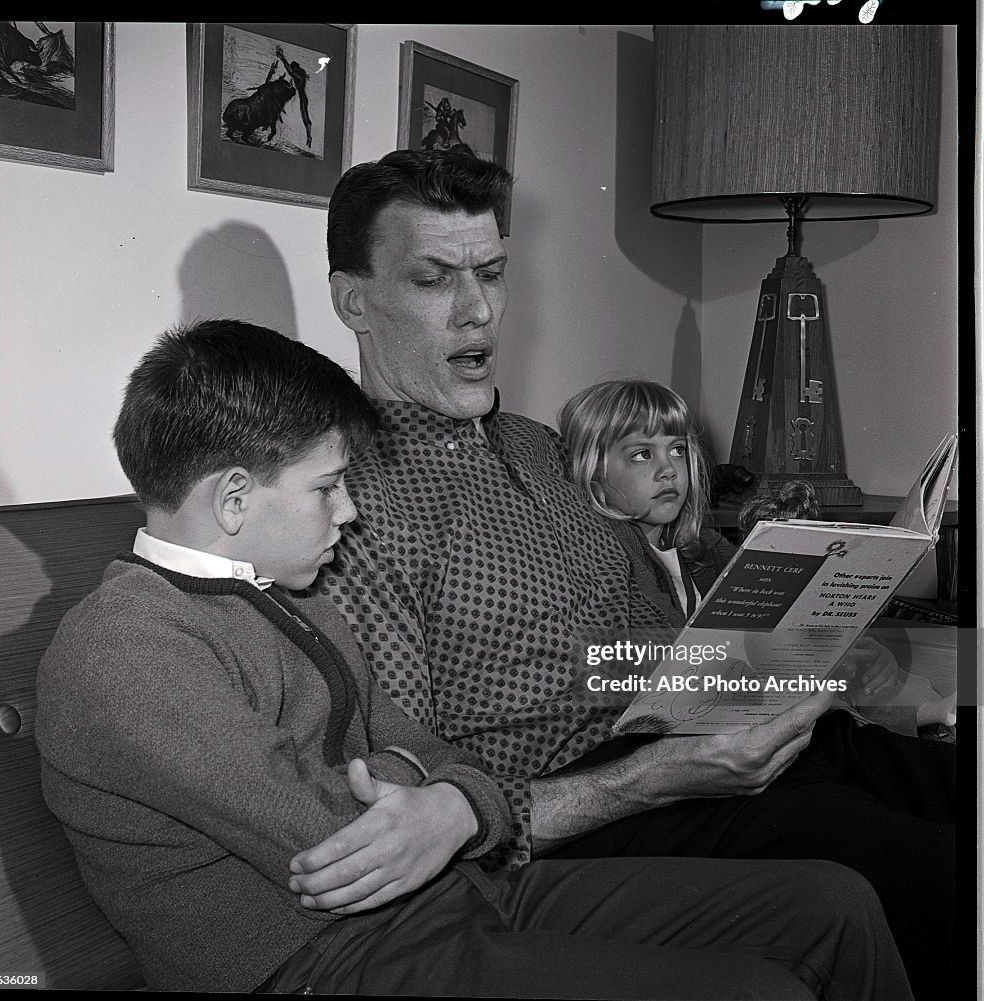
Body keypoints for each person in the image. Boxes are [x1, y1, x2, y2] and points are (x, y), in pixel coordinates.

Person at [35, 319, 911, 999]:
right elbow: (333, 843)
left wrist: (445, 798)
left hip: (456, 894)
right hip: (323, 965)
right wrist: (427, 790)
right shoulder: (128, 648)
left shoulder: (293, 598)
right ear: (233, 499)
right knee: (755, 990)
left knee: (833, 904)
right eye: (328, 487)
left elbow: (430, 751)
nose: (348, 512)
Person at [313, 147, 957, 1001]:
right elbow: (420, 784)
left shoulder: (542, 447)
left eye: (492, 274)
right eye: (434, 280)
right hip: (606, 812)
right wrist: (660, 773)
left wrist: (779, 651)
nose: (479, 311)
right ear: (353, 300)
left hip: (713, 738)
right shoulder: (343, 504)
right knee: (938, 873)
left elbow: (647, 627)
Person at [557, 377, 954, 730]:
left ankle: (914, 716)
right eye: (642, 454)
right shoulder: (610, 563)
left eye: (677, 450)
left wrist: (849, 650)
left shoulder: (705, 550)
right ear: (595, 474)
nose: (669, 470)